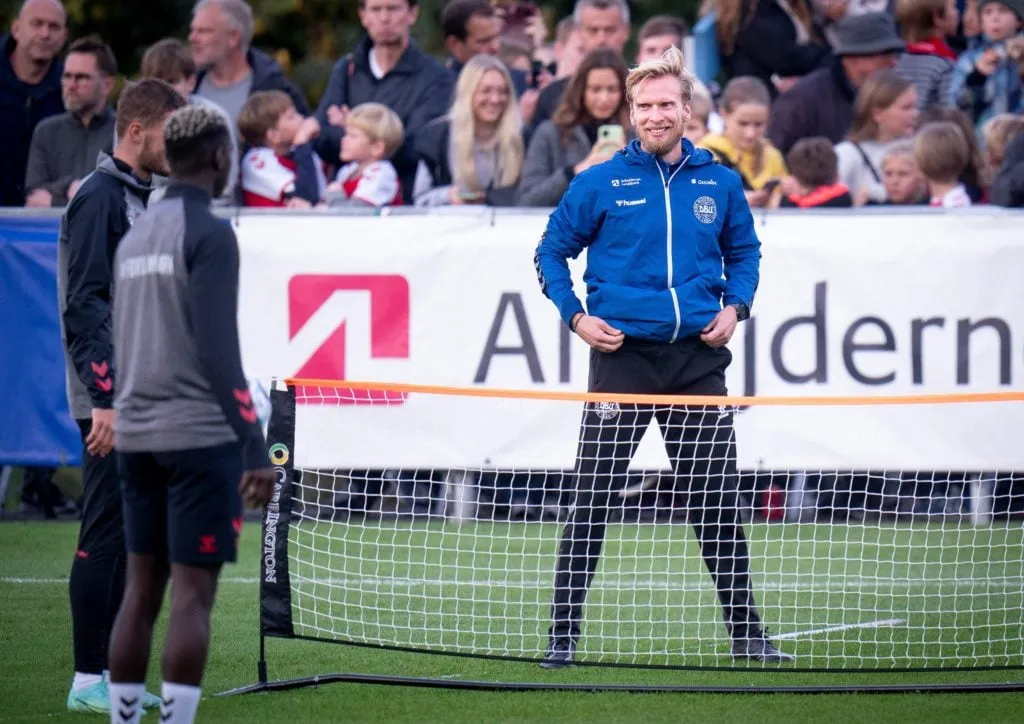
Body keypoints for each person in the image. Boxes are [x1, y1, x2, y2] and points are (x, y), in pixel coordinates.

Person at [533, 46, 792, 668]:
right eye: (644, 106)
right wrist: (576, 317)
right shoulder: (597, 182)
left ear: (687, 109)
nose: (655, 115)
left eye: (666, 105)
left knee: (715, 502)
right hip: (622, 359)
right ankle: (561, 641)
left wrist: (738, 308)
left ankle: (748, 636)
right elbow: (549, 253)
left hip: (697, 362)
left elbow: (747, 256)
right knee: (592, 500)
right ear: (631, 111)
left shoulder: (721, 182)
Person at [105, 104, 275, 724]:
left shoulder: (137, 233)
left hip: (136, 434)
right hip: (197, 437)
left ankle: (124, 718)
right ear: (219, 158)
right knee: (192, 599)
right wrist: (253, 446)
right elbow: (217, 350)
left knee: (140, 592)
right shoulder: (209, 232)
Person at [58, 78, 187, 714]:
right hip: (110, 399)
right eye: (171, 133)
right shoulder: (100, 197)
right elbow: (84, 304)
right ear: (138, 131)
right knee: (107, 533)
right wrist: (104, 398)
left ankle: (114, 674)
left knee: (138, 538)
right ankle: (87, 680)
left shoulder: (141, 197)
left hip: (143, 394)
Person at [25, 35, 117, 208]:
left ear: (107, 85)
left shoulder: (124, 132)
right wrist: (69, 186)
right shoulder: (46, 131)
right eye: (67, 76)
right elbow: (33, 198)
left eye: (81, 77)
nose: (71, 85)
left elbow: (113, 200)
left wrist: (54, 200)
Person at [0, 0, 67, 206]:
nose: (45, 34)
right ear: (16, 29)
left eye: (53, 26)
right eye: (36, 24)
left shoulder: (71, 90)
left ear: (64, 36)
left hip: (42, 224)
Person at [237, 89, 324, 207]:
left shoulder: (305, 155)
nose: (301, 118)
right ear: (274, 136)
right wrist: (302, 142)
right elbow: (305, 196)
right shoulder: (256, 160)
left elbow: (320, 198)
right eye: (291, 117)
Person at [323, 102, 405, 208]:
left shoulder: (381, 175)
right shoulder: (348, 171)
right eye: (345, 134)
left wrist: (334, 197)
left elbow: (356, 214)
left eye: (353, 136)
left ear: (377, 147)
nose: (344, 140)